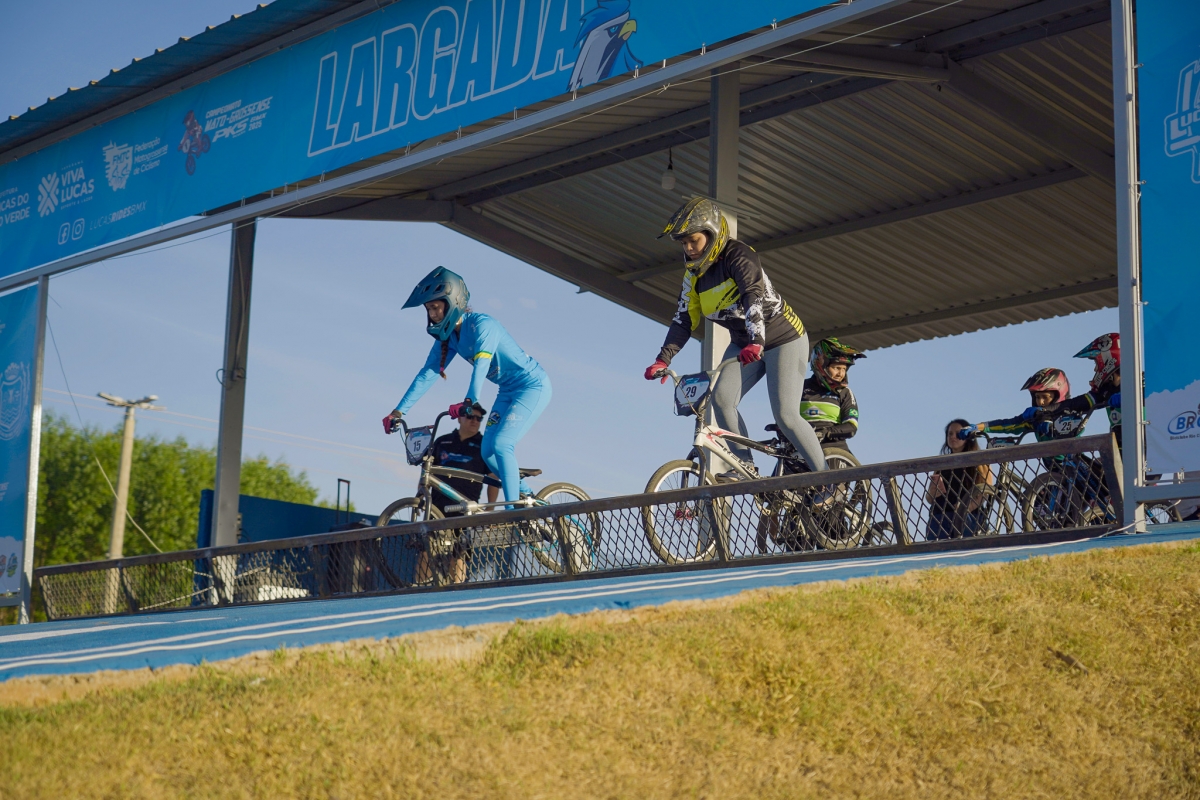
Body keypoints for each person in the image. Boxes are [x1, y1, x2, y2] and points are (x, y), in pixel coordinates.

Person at [642, 197, 825, 477]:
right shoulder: (693, 277)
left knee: (786, 415)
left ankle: (829, 480)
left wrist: (757, 341)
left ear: (712, 233)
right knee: (722, 399)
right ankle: (744, 465)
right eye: (683, 243)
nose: (688, 248)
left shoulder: (739, 255)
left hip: (783, 338)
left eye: (693, 240)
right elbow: (683, 320)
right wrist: (662, 359)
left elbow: (753, 297)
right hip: (744, 344)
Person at [383, 267, 551, 507]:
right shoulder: (450, 337)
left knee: (502, 444)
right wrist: (399, 411)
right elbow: (427, 374)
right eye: (428, 309)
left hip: (532, 386)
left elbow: (481, 365)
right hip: (507, 390)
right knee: (487, 453)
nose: (432, 315)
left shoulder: (483, 325)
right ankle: (529, 497)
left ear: (452, 303)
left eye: (435, 307)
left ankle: (515, 511)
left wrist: (470, 400)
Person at [418, 405, 500, 584]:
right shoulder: (442, 441)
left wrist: (490, 509)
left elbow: (493, 478)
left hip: (465, 510)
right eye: (471, 417)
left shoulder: (484, 446)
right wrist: (420, 498)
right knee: (425, 551)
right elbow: (426, 472)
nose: (475, 421)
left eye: (479, 418)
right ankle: (418, 589)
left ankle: (457, 592)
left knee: (460, 553)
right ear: (459, 418)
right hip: (436, 508)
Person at [928, 419, 993, 540]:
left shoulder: (979, 460)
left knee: (967, 547)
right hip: (940, 516)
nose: (953, 437)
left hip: (969, 516)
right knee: (938, 549)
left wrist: (966, 508)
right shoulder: (941, 463)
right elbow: (929, 498)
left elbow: (986, 490)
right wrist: (932, 492)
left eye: (958, 434)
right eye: (950, 434)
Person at [801, 338, 865, 453]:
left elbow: (851, 427)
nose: (840, 374)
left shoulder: (845, 392)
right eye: (836, 368)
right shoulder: (800, 387)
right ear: (821, 365)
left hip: (835, 449)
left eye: (844, 369)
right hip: (801, 445)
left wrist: (826, 432)